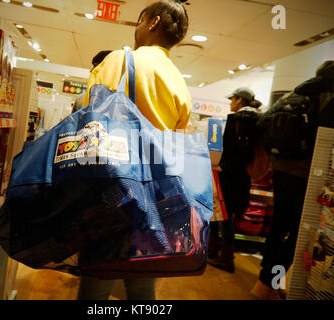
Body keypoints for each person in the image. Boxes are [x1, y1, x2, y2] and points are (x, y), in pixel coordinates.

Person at [77, 0, 191, 300]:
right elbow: (176, 143)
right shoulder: (180, 82)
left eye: (138, 21)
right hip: (156, 197)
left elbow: (86, 116)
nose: (136, 29)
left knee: (98, 280)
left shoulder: (118, 61)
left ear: (153, 23)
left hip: (110, 189)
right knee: (143, 281)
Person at [251, 60, 334, 300]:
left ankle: (267, 283)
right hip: (306, 174)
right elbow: (329, 140)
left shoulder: (295, 93)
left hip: (280, 169)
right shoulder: (333, 98)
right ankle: (267, 283)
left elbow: (261, 124)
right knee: (300, 235)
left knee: (279, 226)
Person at [208, 87, 262, 273]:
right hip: (239, 178)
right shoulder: (251, 119)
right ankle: (213, 252)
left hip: (232, 178)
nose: (231, 102)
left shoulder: (243, 119)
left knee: (224, 216)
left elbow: (242, 152)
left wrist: (224, 166)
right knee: (222, 215)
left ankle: (225, 258)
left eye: (233, 99)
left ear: (240, 100)